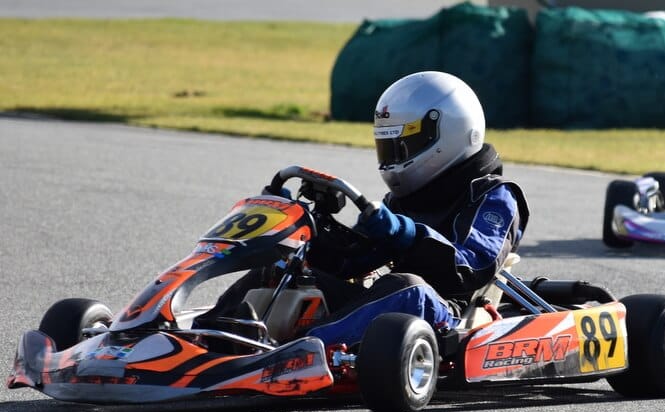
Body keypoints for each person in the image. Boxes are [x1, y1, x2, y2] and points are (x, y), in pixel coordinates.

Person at [200, 71, 529, 348]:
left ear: (448, 136)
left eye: (402, 147)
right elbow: (355, 262)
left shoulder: (495, 196)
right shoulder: (408, 199)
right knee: (282, 269)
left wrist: (405, 234)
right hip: (392, 307)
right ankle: (205, 336)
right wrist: (317, 231)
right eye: (387, 148)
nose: (393, 160)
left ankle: (299, 349)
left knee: (406, 287)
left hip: (451, 313)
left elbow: (471, 265)